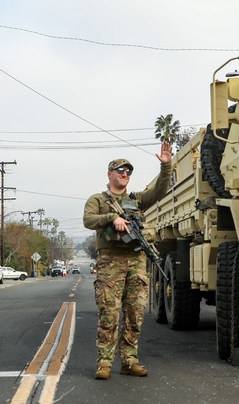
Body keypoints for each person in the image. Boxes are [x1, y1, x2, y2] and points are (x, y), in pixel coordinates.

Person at [83, 141, 172, 380]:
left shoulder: (137, 199)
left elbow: (161, 190)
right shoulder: (98, 200)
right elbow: (88, 220)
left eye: (128, 171)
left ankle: (129, 361)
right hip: (110, 261)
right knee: (109, 314)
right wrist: (113, 218)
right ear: (110, 174)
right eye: (120, 170)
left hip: (136, 261)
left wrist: (166, 166)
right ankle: (104, 363)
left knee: (135, 314)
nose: (124, 174)